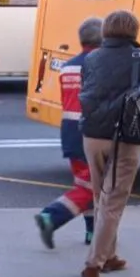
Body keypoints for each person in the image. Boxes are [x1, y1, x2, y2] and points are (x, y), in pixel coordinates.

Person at [78, 9, 140, 277]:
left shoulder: (92, 58)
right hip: (127, 136)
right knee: (113, 201)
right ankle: (94, 263)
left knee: (99, 196)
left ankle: (109, 255)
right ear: (134, 31)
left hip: (92, 135)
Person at [35, 17, 102, 249]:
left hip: (70, 131)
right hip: (91, 131)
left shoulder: (68, 67)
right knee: (93, 186)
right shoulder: (101, 65)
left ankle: (92, 233)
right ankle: (51, 216)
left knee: (86, 183)